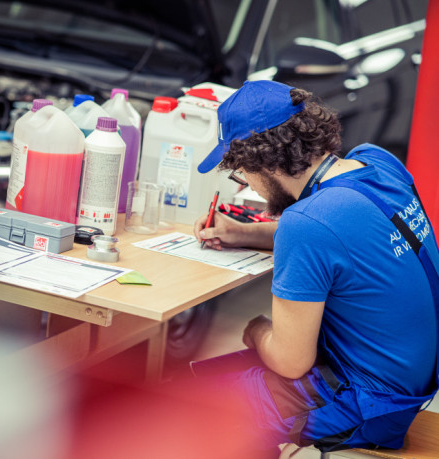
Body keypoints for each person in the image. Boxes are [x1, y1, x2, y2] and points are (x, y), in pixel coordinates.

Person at [187, 80, 439, 453]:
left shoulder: (306, 223)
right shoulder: (378, 163)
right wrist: (243, 233)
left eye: (242, 171)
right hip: (414, 377)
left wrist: (257, 330)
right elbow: (342, 239)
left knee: (191, 405)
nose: (250, 186)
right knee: (216, 374)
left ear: (263, 162)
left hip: (371, 404)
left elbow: (291, 361)